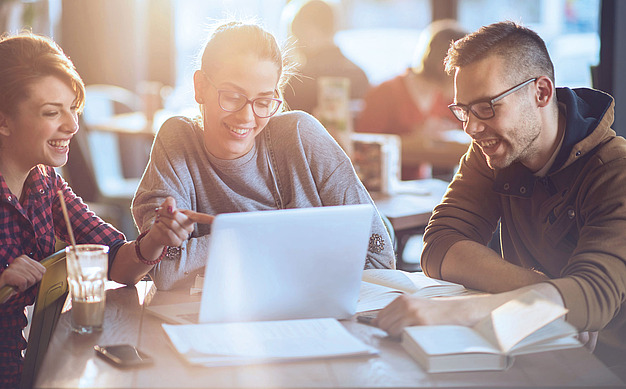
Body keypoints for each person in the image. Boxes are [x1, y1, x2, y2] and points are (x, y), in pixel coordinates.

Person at [0, 32, 206, 388]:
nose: (72, 125)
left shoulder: (46, 183)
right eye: (52, 112)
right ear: (1, 122)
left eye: (72, 109)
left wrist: (156, 237)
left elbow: (118, 263)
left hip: (22, 375)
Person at [372, 21, 626, 379]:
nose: (471, 128)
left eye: (487, 107)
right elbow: (440, 245)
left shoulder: (615, 170)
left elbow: (594, 296)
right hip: (524, 347)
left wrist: (463, 311)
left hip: (602, 367)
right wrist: (543, 291)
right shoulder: (493, 152)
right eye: (463, 110)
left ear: (541, 92)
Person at [131, 20, 395, 291]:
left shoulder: (302, 136)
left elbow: (378, 256)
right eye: (233, 96)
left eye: (263, 101)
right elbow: (163, 266)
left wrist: (224, 242)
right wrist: (274, 237)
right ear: (200, 87)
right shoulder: (178, 139)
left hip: (315, 312)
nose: (247, 117)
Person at [356, 20, 467, 180]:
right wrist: (415, 138)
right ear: (443, 66)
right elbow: (363, 149)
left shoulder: (443, 98)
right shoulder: (385, 92)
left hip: (421, 186)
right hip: (386, 186)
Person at [283, 0, 370, 114]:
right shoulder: (359, 75)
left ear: (310, 31)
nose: (295, 45)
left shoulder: (298, 82)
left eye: (296, 35)